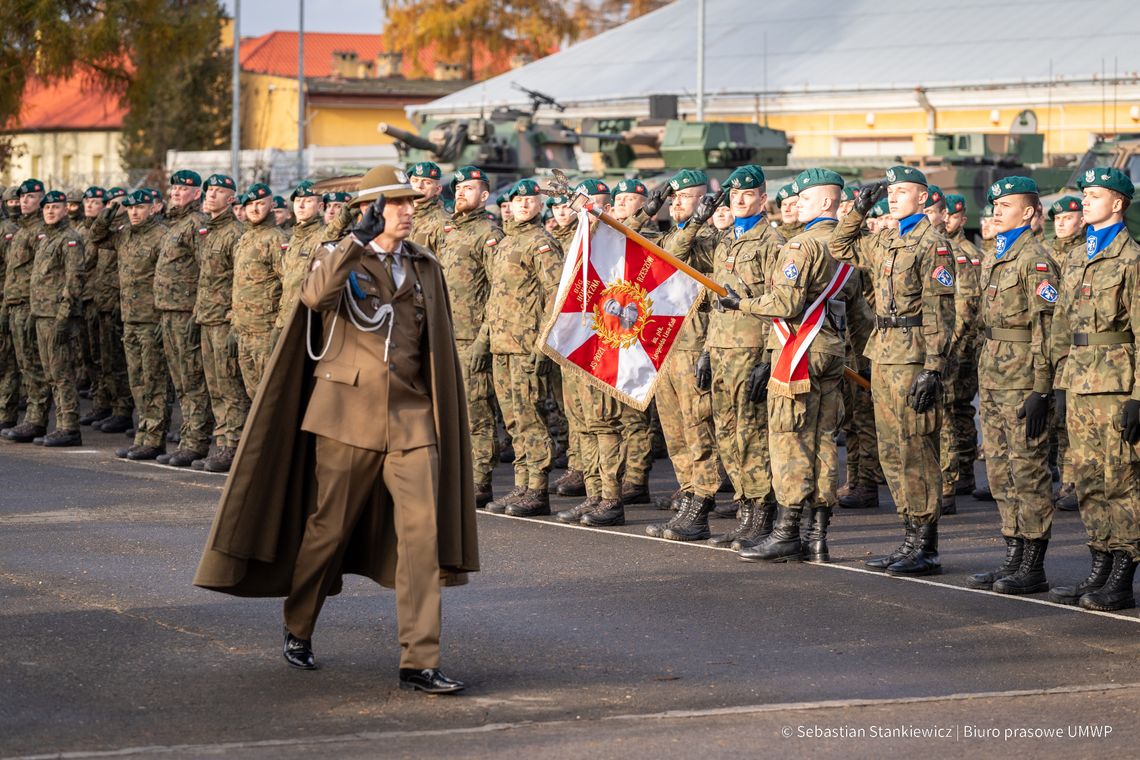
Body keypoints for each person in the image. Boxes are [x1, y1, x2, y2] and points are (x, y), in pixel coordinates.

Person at [194, 164, 478, 693]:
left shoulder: (423, 265)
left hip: (412, 416)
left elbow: (433, 341)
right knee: (329, 529)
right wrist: (355, 241)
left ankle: (419, 660)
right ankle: (299, 623)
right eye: (397, 204)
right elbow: (316, 298)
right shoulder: (336, 255)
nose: (409, 210)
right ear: (370, 211)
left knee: (421, 536)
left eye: (410, 203)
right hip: (347, 413)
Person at [723, 168, 866, 562]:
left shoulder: (801, 246)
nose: (795, 204)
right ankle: (817, 536)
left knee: (788, 438)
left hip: (799, 350)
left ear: (825, 202)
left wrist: (742, 304)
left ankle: (787, 531)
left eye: (803, 199)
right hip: (833, 351)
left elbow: (786, 305)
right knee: (822, 441)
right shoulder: (848, 248)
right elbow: (859, 311)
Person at [829, 166, 956, 577]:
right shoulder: (886, 239)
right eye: (891, 192)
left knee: (916, 449)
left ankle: (926, 544)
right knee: (892, 451)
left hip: (914, 355)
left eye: (904, 191)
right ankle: (909, 535)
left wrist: (934, 368)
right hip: (883, 352)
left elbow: (941, 312)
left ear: (923, 198)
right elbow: (838, 247)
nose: (895, 197)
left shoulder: (932, 244)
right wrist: (857, 211)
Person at [1048, 166, 1140, 611]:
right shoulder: (1077, 257)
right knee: (1085, 478)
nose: (1085, 201)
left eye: (1095, 195)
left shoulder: (1132, 258)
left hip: (1117, 385)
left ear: (1118, 204)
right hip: (1081, 381)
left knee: (1120, 479)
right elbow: (1064, 326)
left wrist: (1139, 396)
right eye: (1084, 194)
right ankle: (1099, 565)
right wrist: (1059, 383)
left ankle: (1122, 574)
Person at [965, 176, 1058, 595]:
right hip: (995, 374)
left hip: (1023, 378)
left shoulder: (1035, 260)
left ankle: (1033, 563)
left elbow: (1047, 328)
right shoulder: (994, 255)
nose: (997, 210)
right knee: (1000, 470)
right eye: (996, 205)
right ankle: (1013, 555)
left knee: (1028, 470)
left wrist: (1042, 389)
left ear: (1030, 213)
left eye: (1007, 205)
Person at [636, 170, 720, 540]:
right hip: (668, 343)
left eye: (684, 197)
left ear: (702, 199)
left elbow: (673, 256)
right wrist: (645, 213)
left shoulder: (710, 238)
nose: (676, 203)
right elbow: (627, 239)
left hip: (696, 342)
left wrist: (699, 219)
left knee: (698, 429)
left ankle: (701, 503)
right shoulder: (670, 231)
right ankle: (687, 496)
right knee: (674, 432)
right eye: (673, 197)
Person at [702, 165, 783, 550]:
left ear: (763, 199)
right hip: (720, 347)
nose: (739, 200)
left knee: (751, 432)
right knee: (726, 432)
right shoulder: (725, 241)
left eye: (748, 195)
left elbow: (774, 304)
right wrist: (705, 350)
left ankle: (762, 511)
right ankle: (744, 509)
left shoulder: (772, 242)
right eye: (734, 194)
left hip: (750, 348)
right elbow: (717, 301)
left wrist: (768, 358)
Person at [479, 179, 563, 516]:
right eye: (518, 201)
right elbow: (494, 296)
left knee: (532, 417)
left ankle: (537, 489)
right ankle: (521, 485)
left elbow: (555, 295)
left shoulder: (542, 243)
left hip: (527, 345)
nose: (524, 205)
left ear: (540, 205)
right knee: (513, 421)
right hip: (502, 345)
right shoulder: (505, 242)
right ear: (509, 205)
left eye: (530, 200)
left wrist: (543, 344)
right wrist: (486, 341)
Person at [437, 165, 504, 507]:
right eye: (460, 187)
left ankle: (479, 480)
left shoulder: (488, 234)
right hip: (444, 335)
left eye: (471, 188)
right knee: (447, 410)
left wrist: (484, 339)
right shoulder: (447, 231)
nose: (462, 192)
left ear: (484, 196)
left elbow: (499, 291)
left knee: (475, 412)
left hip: (471, 337)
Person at [93, 190, 171, 460]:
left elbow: (168, 278)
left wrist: (164, 316)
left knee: (154, 380)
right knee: (137, 380)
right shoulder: (124, 233)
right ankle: (142, 435)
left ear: (154, 208)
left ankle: (155, 438)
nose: (134, 212)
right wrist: (111, 209)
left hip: (151, 319)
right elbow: (96, 236)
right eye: (130, 208)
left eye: (140, 207)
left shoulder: (163, 235)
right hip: (130, 318)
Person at [154, 170, 212, 467]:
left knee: (192, 379)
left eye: (183, 189)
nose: (176, 192)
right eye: (174, 187)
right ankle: (188, 436)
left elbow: (206, 270)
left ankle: (196, 442)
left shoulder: (197, 224)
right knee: (179, 379)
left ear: (197, 194)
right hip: (168, 311)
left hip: (187, 312)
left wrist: (197, 310)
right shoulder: (174, 223)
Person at [192, 174, 249, 473]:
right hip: (207, 317)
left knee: (229, 386)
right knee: (214, 385)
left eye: (218, 191)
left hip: (225, 320)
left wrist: (233, 321)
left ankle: (234, 446)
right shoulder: (208, 231)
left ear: (231, 199)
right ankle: (222, 442)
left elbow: (239, 282)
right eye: (209, 190)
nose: (210, 195)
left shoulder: (233, 233)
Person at [29, 190, 85, 446]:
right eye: (47, 207)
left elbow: (73, 280)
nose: (50, 211)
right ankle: (60, 424)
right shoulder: (45, 238)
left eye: (56, 207)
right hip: (42, 314)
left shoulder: (70, 239)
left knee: (62, 373)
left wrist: (63, 317)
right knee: (50, 373)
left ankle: (69, 427)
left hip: (57, 316)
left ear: (66, 210)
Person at [2, 179, 51, 443]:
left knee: (34, 364)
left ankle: (36, 419)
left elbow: (42, 275)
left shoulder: (41, 231)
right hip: (14, 303)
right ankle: (30, 416)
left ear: (41, 199)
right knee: (22, 363)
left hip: (30, 305)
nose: (24, 201)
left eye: (31, 197)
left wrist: (35, 306)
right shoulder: (21, 229)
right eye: (22, 197)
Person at [1046, 194, 1086, 511]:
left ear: (1081, 220)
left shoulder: (1084, 254)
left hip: (1078, 346)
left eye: (1067, 218)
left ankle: (1073, 483)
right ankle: (1059, 479)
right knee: (1055, 421)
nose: (1060, 223)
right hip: (1049, 345)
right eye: (1057, 218)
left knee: (1072, 421)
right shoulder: (1043, 252)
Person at [231, 183, 287, 400]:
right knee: (252, 394)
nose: (254, 209)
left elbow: (288, 283)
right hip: (244, 329)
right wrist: (233, 323)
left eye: (260, 204)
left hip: (264, 330)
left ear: (271, 205)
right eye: (250, 204)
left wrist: (280, 326)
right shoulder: (245, 238)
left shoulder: (276, 238)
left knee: (270, 395)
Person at [276, 180, 326, 342]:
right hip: (284, 319)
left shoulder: (324, 237)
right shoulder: (293, 237)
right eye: (298, 201)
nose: (301, 205)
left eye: (308, 200)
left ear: (320, 207)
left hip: (306, 320)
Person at [0, 186, 22, 430]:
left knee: (6, 361)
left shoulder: (7, 231)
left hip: (3, 299)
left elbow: (11, 272)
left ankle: (6, 413)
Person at [407, 161, 448, 253]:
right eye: (415, 181)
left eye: (427, 182)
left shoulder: (443, 222)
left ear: (437, 189)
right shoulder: (400, 215)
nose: (419, 186)